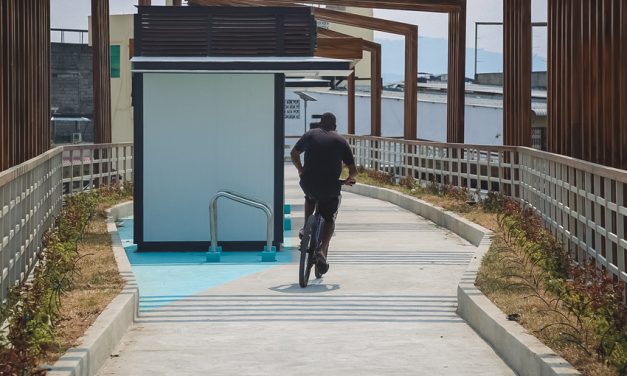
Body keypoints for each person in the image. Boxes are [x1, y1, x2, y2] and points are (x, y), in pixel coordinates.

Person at [290, 112, 357, 275]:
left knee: (310, 197)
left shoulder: (310, 135)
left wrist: (301, 170)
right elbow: (353, 171)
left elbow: (294, 153)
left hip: (309, 183)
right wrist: (349, 179)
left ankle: (306, 228)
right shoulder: (340, 140)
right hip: (330, 186)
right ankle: (320, 251)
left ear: (320, 124)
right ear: (335, 126)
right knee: (329, 217)